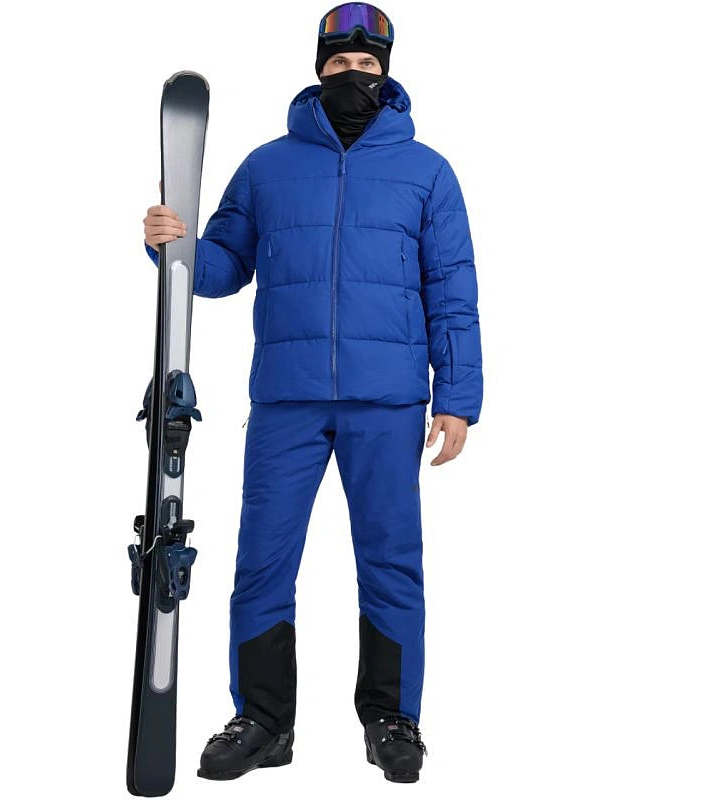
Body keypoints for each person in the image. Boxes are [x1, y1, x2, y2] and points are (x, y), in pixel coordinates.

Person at [142, 2, 483, 784]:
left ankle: (391, 719)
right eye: (339, 64)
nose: (353, 75)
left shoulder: (427, 171)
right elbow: (222, 269)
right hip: (287, 399)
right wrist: (173, 245)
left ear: (386, 73)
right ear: (318, 68)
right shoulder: (267, 166)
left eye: (367, 66)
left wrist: (457, 396)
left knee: (390, 564)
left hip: (389, 400)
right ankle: (264, 722)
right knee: (263, 562)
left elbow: (452, 289)